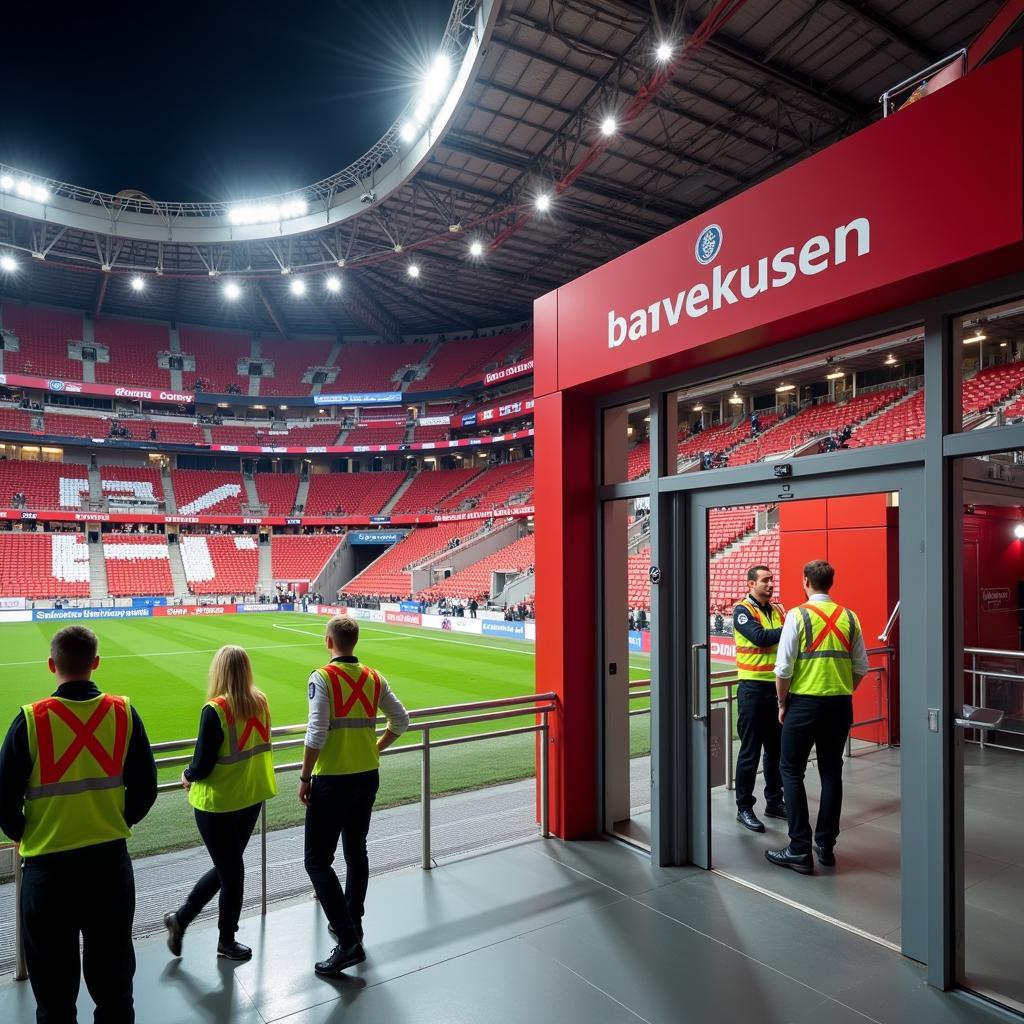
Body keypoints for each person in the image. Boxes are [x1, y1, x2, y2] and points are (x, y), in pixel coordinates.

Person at [0, 626, 157, 1023]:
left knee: (53, 999)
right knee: (115, 992)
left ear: (52, 664)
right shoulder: (124, 713)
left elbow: (2, 800)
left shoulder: (30, 721)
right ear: (96, 663)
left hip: (48, 874)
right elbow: (146, 789)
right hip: (109, 867)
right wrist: (117, 819)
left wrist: (21, 833)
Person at [300, 615, 409, 977]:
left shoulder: (322, 678)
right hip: (367, 777)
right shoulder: (374, 678)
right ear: (354, 642)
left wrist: (303, 777)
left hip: (332, 780)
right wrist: (376, 748)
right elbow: (401, 720)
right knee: (355, 850)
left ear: (328, 641)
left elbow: (316, 733)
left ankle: (347, 942)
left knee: (317, 861)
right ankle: (354, 922)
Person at [164, 646, 277, 962]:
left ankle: (215, 935)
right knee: (230, 870)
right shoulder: (261, 702)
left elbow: (202, 764)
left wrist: (187, 775)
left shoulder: (215, 710)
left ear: (219, 672)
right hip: (249, 797)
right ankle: (191, 924)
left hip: (217, 804)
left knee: (230, 871)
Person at [766, 560, 868, 874]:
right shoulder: (850, 617)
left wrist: (782, 702)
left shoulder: (797, 615)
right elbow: (861, 668)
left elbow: (783, 670)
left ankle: (799, 848)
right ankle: (825, 844)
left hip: (804, 705)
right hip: (839, 706)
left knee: (791, 771)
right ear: (830, 583)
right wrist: (842, 690)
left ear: (806, 581)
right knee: (831, 772)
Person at [732, 566, 787, 833]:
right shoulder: (742, 611)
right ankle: (744, 807)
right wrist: (789, 630)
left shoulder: (778, 610)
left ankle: (774, 802)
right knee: (750, 752)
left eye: (771, 580)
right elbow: (760, 638)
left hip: (776, 690)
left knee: (776, 751)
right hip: (752, 691)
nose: (770, 584)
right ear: (751, 583)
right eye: (765, 580)